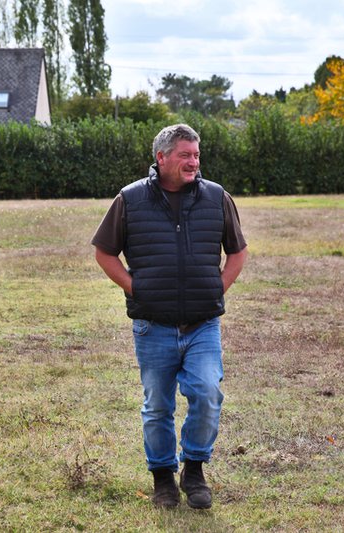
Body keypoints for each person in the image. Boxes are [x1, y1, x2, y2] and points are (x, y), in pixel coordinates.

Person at [92, 124, 248, 509]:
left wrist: (217, 288)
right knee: (158, 405)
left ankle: (193, 470)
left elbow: (238, 251)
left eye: (196, 154)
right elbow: (104, 253)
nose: (193, 162)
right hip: (152, 325)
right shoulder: (130, 199)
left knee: (208, 393)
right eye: (185, 155)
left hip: (202, 325)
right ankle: (162, 477)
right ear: (161, 158)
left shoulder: (217, 197)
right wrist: (135, 288)